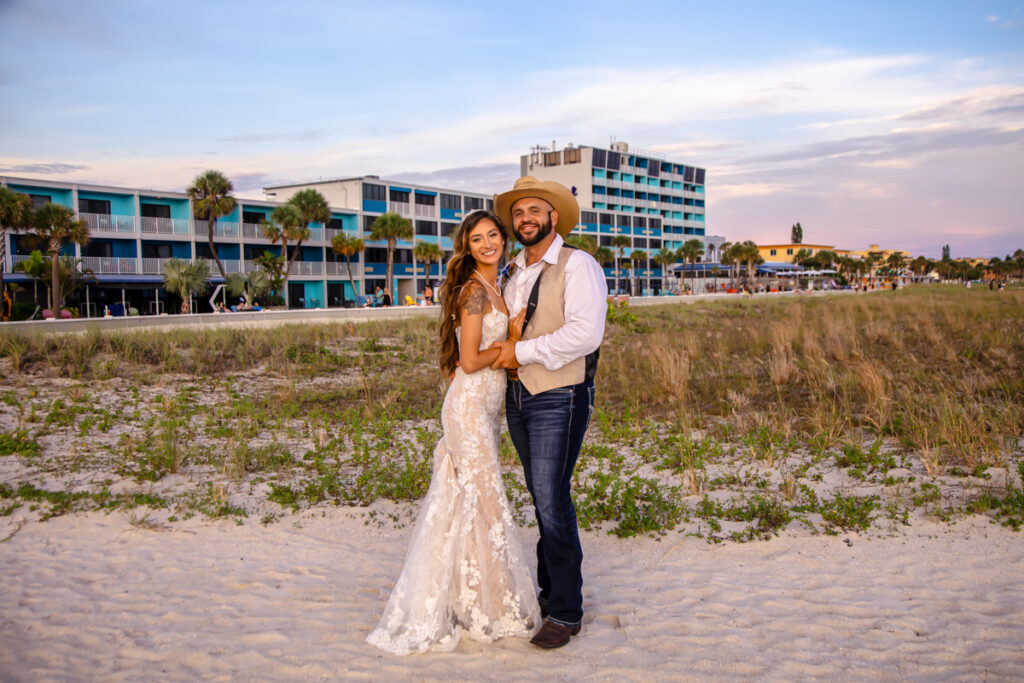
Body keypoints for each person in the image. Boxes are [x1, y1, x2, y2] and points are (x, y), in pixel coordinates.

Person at [366, 210, 539, 655]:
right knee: (486, 500)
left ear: (503, 239)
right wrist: (507, 350)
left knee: (473, 502)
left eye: (493, 236)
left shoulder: (494, 288)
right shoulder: (473, 293)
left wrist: (512, 340)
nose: (487, 244)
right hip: (467, 409)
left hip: (484, 411)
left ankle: (470, 598)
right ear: (467, 246)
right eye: (477, 239)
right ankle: (489, 605)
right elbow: (468, 361)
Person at [490, 177, 607, 649]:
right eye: (518, 213)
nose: (525, 220)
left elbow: (585, 334)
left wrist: (522, 353)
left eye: (535, 211)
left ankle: (565, 611)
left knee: (551, 498)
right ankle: (548, 594)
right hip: (518, 397)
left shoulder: (578, 264)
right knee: (541, 497)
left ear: (553, 217)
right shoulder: (512, 272)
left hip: (560, 393)